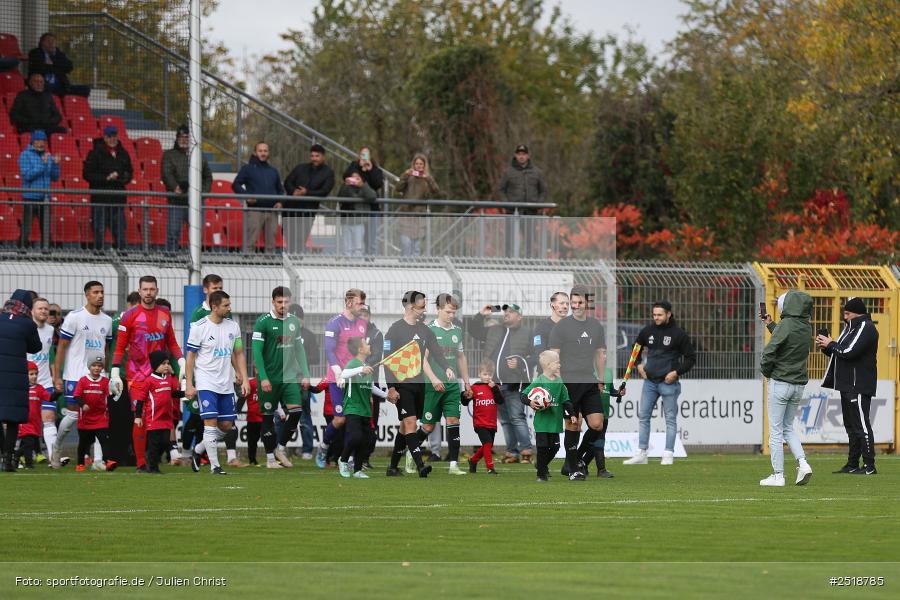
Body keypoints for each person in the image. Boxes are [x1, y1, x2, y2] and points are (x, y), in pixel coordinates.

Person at [111, 276, 183, 472]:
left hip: (160, 375)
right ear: (140, 291)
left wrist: (181, 362)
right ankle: (141, 462)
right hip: (136, 376)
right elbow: (120, 346)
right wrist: (115, 372)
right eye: (145, 289)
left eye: (152, 289)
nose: (149, 292)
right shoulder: (129, 316)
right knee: (140, 416)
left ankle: (154, 458)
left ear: (156, 291)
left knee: (160, 416)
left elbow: (172, 343)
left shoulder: (165, 315)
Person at [383, 291, 454, 477]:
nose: (425, 305)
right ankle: (420, 466)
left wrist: (446, 367)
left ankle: (392, 467)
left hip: (419, 385)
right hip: (401, 385)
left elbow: (437, 352)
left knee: (404, 427)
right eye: (422, 302)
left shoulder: (424, 330)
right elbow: (387, 360)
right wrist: (391, 387)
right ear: (410, 306)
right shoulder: (395, 329)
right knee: (410, 422)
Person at [623, 300, 696, 466]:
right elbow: (635, 349)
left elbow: (691, 358)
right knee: (644, 417)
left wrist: (676, 373)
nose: (656, 317)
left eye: (660, 315)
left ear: (669, 314)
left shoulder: (679, 334)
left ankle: (668, 453)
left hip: (668, 382)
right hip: (649, 382)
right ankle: (641, 453)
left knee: (670, 419)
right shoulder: (647, 331)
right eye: (654, 314)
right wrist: (639, 365)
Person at [185, 291, 250, 475]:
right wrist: (189, 384)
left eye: (229, 305)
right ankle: (215, 466)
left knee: (226, 426)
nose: (229, 308)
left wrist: (243, 377)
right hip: (206, 382)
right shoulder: (200, 327)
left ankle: (198, 451)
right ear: (214, 307)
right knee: (210, 423)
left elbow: (238, 353)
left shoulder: (233, 326)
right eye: (226, 306)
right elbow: (190, 357)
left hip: (226, 383)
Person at [52, 281, 113, 469]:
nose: (100, 295)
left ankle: (98, 461)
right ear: (87, 295)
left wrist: (108, 374)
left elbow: (107, 349)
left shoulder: (107, 320)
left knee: (99, 418)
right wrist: (57, 376)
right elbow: (61, 347)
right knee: (72, 417)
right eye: (96, 292)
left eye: (102, 292)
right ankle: (57, 447)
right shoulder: (74, 317)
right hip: (76, 375)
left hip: (98, 376)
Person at [816, 297, 879, 476]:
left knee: (861, 426)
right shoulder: (851, 328)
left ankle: (869, 466)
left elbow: (849, 352)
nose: (845, 317)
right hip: (848, 384)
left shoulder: (866, 327)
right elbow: (841, 353)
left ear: (857, 313)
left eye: (847, 313)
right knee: (851, 426)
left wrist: (832, 344)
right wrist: (827, 346)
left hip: (858, 384)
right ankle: (852, 464)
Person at [548, 285, 606, 481]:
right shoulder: (561, 327)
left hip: (589, 380)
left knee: (597, 424)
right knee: (573, 425)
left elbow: (600, 353)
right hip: (568, 383)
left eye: (580, 302)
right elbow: (554, 355)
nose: (576, 306)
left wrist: (601, 378)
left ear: (587, 303)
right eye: (573, 302)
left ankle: (575, 458)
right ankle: (573, 468)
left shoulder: (596, 326)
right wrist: (557, 381)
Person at [758, 290, 814, 486]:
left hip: (780, 382)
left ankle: (778, 475)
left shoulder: (786, 325)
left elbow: (771, 350)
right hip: (798, 385)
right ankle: (803, 463)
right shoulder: (806, 327)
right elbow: (789, 340)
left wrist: (766, 372)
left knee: (775, 430)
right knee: (788, 428)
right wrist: (770, 324)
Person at [467, 302, 534, 464]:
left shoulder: (527, 333)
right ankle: (512, 452)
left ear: (520, 316)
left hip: (515, 383)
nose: (506, 314)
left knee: (517, 417)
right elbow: (473, 331)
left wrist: (520, 362)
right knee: (505, 420)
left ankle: (526, 451)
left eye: (511, 312)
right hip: (494, 385)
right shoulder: (494, 329)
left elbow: (535, 357)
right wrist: (481, 315)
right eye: (505, 311)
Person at [252, 286, 310, 469]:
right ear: (273, 301)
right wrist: (263, 377)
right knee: (268, 418)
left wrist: (306, 374)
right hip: (269, 379)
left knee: (296, 411)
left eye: (286, 302)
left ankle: (280, 448)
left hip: (289, 377)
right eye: (279, 302)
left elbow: (299, 350)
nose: (283, 305)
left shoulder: (294, 322)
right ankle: (270, 459)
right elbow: (257, 352)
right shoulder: (263, 322)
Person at [413, 293, 471, 475]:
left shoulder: (457, 331)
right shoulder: (428, 331)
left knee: (454, 420)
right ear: (438, 309)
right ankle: (410, 452)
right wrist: (434, 379)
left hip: (452, 385)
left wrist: (467, 383)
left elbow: (460, 357)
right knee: (428, 426)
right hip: (432, 385)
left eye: (454, 312)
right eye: (448, 312)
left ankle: (453, 464)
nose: (451, 315)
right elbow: (423, 360)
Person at [316, 289, 368, 468]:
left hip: (354, 378)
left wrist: (361, 370)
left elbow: (361, 351)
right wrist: (338, 372)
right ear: (349, 303)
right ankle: (323, 447)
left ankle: (348, 459)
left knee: (354, 418)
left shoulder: (362, 324)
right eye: (360, 303)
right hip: (337, 378)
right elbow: (329, 350)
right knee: (339, 419)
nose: (362, 306)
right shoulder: (334, 323)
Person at [0, 290, 42, 471]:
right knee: (12, 420)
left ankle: (2, 455)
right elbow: (36, 347)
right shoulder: (27, 324)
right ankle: (8, 460)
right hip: (15, 377)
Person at [337, 336, 387, 478]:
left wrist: (386, 396)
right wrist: (360, 369)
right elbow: (343, 374)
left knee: (368, 440)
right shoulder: (353, 364)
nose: (369, 345)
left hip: (365, 410)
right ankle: (343, 460)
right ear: (360, 349)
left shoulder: (365, 366)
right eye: (366, 344)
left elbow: (370, 387)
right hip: (353, 407)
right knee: (356, 437)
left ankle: (358, 470)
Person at [523, 351, 575, 482]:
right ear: (547, 364)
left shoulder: (559, 382)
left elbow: (566, 400)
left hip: (555, 422)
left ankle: (541, 465)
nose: (559, 365)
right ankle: (541, 474)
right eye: (557, 362)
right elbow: (523, 395)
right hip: (542, 423)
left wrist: (572, 414)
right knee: (542, 448)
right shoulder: (539, 381)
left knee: (555, 447)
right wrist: (530, 402)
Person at [161, 124, 212, 253]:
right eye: (181, 137)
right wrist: (175, 187)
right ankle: (171, 259)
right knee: (173, 232)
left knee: (196, 234)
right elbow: (166, 173)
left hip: (195, 202)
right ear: (177, 138)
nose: (184, 140)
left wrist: (203, 192)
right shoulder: (169, 155)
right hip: (176, 201)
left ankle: (195, 260)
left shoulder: (199, 155)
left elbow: (208, 177)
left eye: (187, 137)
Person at [133, 351, 185, 474]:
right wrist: (138, 416)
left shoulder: (168, 379)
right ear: (155, 365)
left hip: (166, 419)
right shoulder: (149, 381)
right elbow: (140, 399)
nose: (166, 366)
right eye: (163, 364)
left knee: (165, 442)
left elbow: (173, 393)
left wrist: (185, 393)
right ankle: (152, 467)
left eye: (167, 363)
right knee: (154, 445)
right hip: (154, 419)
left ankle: (152, 463)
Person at [83, 125, 133, 252]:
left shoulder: (123, 153)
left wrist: (120, 176)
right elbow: (87, 174)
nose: (112, 139)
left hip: (118, 199)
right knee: (99, 228)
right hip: (101, 198)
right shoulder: (95, 153)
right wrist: (106, 178)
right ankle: (99, 253)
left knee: (120, 228)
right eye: (109, 136)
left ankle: (122, 253)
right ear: (104, 137)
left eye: (114, 136)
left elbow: (129, 172)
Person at [232, 142, 284, 253]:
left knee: (271, 243)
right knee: (250, 240)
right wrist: (246, 196)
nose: (263, 153)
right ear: (255, 152)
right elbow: (236, 184)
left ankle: (270, 265)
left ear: (268, 153)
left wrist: (280, 202)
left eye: (265, 151)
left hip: (272, 211)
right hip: (255, 209)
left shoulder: (273, 171)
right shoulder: (247, 169)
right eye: (260, 151)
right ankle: (247, 264)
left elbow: (280, 190)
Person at [497, 144, 547, 258]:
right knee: (510, 239)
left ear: (528, 156)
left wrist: (538, 204)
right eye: (519, 154)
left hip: (530, 212)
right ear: (515, 155)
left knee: (530, 239)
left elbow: (543, 190)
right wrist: (507, 204)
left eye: (524, 154)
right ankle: (508, 262)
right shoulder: (508, 172)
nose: (521, 157)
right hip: (512, 212)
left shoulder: (536, 172)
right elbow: (501, 190)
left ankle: (530, 263)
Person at [283, 143, 335, 252]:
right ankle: (289, 260)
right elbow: (288, 181)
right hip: (290, 208)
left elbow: (324, 191)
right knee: (288, 237)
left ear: (323, 157)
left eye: (317, 156)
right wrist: (293, 192)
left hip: (308, 210)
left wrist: (306, 193)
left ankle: (297, 261)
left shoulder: (328, 173)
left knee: (301, 238)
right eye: (312, 156)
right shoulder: (300, 168)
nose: (314, 158)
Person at [73, 353, 117, 472]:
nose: (97, 368)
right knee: (83, 443)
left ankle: (108, 461)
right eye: (94, 365)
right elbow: (76, 396)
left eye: (99, 365)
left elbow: (111, 397)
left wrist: (116, 392)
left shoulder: (105, 382)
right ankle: (80, 464)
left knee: (104, 440)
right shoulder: (83, 381)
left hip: (100, 417)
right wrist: (83, 405)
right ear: (89, 367)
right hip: (85, 419)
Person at [18, 129, 60, 248]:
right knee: (27, 228)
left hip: (45, 198)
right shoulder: (25, 155)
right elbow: (27, 175)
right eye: (39, 141)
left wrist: (56, 164)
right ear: (33, 141)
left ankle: (46, 251)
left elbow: (55, 177)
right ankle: (21, 250)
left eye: (44, 141)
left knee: (46, 228)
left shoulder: (48, 155)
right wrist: (42, 165)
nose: (42, 143)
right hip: (30, 198)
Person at [27, 297, 57, 461]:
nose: (44, 311)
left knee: (49, 419)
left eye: (46, 309)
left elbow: (49, 356)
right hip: (27, 384)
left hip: (45, 383)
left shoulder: (50, 330)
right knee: (24, 421)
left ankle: (53, 458)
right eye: (40, 308)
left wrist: (54, 377)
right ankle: (21, 455)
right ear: (32, 311)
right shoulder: (25, 329)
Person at [462, 361, 504, 474]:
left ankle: (473, 460)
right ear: (479, 374)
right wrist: (464, 396)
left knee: (488, 445)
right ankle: (490, 468)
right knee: (487, 443)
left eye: (490, 374)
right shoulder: (474, 387)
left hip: (492, 423)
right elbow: (465, 402)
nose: (487, 377)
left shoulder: (495, 387)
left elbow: (500, 401)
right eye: (485, 374)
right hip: (480, 423)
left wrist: (494, 388)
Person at [395, 154, 440, 256]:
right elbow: (398, 188)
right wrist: (405, 175)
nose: (419, 166)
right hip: (406, 215)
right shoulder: (409, 176)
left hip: (419, 216)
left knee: (416, 247)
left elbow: (436, 190)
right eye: (417, 163)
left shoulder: (427, 179)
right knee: (406, 244)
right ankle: (405, 268)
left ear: (424, 166)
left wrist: (428, 178)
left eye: (421, 164)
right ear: (413, 165)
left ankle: (414, 269)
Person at [291, 303, 319, 460]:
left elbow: (315, 357)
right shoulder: (284, 333)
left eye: (297, 319)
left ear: (302, 320)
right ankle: (282, 447)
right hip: (286, 379)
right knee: (283, 415)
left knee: (304, 415)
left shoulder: (308, 335)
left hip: (302, 380)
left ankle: (307, 449)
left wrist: (299, 358)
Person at [343, 147, 384, 255]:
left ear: (370, 156)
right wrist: (359, 167)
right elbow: (346, 177)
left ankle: (370, 263)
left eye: (366, 155)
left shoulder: (376, 170)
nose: (364, 157)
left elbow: (377, 184)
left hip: (372, 208)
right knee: (357, 241)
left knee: (371, 240)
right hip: (358, 208)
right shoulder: (354, 166)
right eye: (362, 154)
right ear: (359, 155)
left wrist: (370, 170)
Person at [358, 303, 383, 468]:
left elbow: (377, 356)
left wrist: (361, 366)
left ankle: (365, 457)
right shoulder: (350, 331)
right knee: (354, 420)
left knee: (371, 422)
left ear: (370, 316)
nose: (363, 317)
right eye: (360, 314)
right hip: (353, 383)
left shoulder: (376, 334)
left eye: (365, 314)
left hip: (370, 382)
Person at [27, 33, 88, 97]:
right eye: (48, 41)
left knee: (85, 89)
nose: (51, 43)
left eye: (53, 41)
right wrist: (59, 67)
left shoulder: (58, 54)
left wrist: (53, 62)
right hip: (44, 85)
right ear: (42, 42)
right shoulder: (35, 53)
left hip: (61, 86)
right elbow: (40, 68)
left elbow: (69, 67)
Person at [16, 362, 48, 469]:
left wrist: (57, 393)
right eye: (31, 374)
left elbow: (49, 397)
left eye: (36, 374)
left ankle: (26, 463)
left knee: (29, 444)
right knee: (28, 443)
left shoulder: (40, 388)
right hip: (24, 421)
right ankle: (15, 456)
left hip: (35, 423)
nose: (34, 376)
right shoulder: (20, 388)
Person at [336, 171, 377, 256]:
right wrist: (345, 185)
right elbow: (340, 198)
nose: (354, 180)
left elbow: (372, 197)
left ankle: (357, 266)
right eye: (352, 177)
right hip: (346, 220)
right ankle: (347, 265)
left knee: (358, 247)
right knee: (346, 247)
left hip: (359, 221)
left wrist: (362, 185)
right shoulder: (346, 187)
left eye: (357, 178)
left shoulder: (364, 186)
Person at [532, 292, 569, 362]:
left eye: (567, 304)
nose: (565, 306)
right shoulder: (541, 327)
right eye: (561, 303)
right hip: (548, 370)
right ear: (552, 306)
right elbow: (539, 353)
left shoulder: (571, 326)